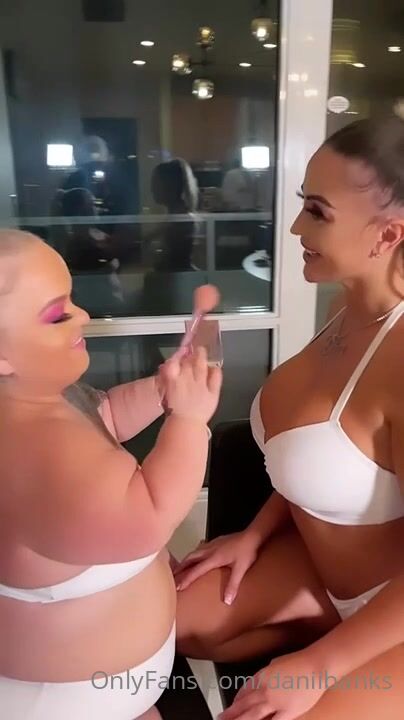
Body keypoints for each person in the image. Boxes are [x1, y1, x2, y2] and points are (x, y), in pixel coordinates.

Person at [174, 115, 404, 720]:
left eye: (317, 212)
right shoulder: (344, 310)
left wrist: (319, 666)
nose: (296, 226)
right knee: (163, 622)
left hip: (393, 609)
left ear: (388, 234)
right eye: (304, 204)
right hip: (323, 577)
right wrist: (254, 534)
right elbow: (339, 457)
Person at [0, 229, 222, 719]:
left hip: (106, 689)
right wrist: (188, 421)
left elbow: (107, 417)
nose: (82, 315)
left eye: (72, 301)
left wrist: (162, 392)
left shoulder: (41, 401)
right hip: (67, 703)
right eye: (58, 315)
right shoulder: (38, 454)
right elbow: (150, 517)